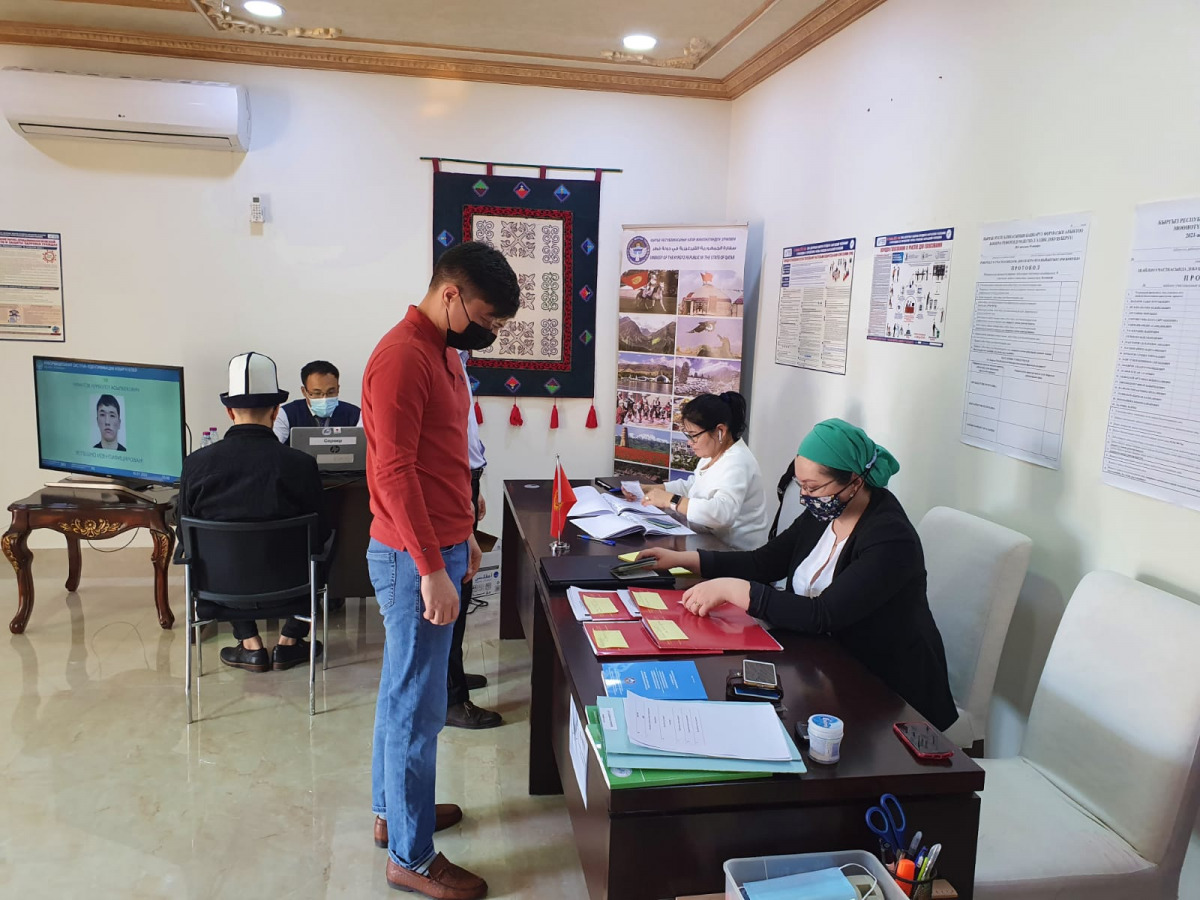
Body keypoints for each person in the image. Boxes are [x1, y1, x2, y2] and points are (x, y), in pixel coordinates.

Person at [363, 241, 518, 899]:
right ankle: (412, 855)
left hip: (443, 543)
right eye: (487, 317)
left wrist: (466, 538)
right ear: (450, 295)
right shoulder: (402, 358)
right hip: (409, 556)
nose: (489, 332)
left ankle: (393, 815)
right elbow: (393, 472)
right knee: (418, 704)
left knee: (404, 690)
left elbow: (447, 454)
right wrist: (432, 567)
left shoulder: (446, 353)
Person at [637, 418, 958, 731]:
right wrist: (686, 559)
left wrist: (735, 590)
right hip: (823, 664)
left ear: (855, 481)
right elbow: (764, 562)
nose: (805, 497)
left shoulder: (890, 537)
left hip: (889, 694)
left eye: (813, 487)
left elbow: (823, 614)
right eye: (801, 485)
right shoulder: (826, 509)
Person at [177, 352, 330, 673]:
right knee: (325, 545)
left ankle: (250, 645)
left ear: (229, 411)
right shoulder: (301, 464)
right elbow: (322, 531)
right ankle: (289, 642)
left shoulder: (196, 464)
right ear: (276, 412)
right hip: (293, 589)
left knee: (218, 552)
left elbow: (184, 533)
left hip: (219, 594)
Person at [628, 392, 770, 551]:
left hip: (735, 554)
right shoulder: (712, 455)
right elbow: (694, 487)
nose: (690, 442)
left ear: (720, 431)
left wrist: (671, 500)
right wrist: (653, 489)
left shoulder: (738, 462)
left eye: (694, 436)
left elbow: (723, 513)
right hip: (708, 543)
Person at [445, 349, 503, 730]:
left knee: (463, 592)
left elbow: (463, 431)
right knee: (452, 597)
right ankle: (451, 699)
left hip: (466, 481)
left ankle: (455, 678)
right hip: (452, 486)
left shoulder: (458, 361)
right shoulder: (433, 359)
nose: (493, 329)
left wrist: (474, 485)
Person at [273, 359, 363, 444]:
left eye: (331, 392)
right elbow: (273, 446)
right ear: (304, 391)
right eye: (317, 393)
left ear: (338, 389)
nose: (324, 398)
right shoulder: (285, 414)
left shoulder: (356, 415)